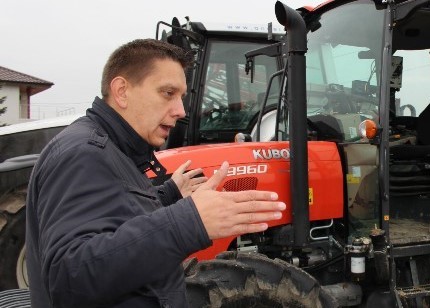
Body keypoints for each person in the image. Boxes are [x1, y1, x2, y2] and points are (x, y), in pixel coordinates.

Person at [25, 39, 286, 307]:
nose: (181, 110)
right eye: (167, 93)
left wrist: (168, 196)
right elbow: (70, 278)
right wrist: (189, 221)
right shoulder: (83, 154)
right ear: (122, 91)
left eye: (182, 97)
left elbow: (114, 219)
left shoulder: (114, 150)